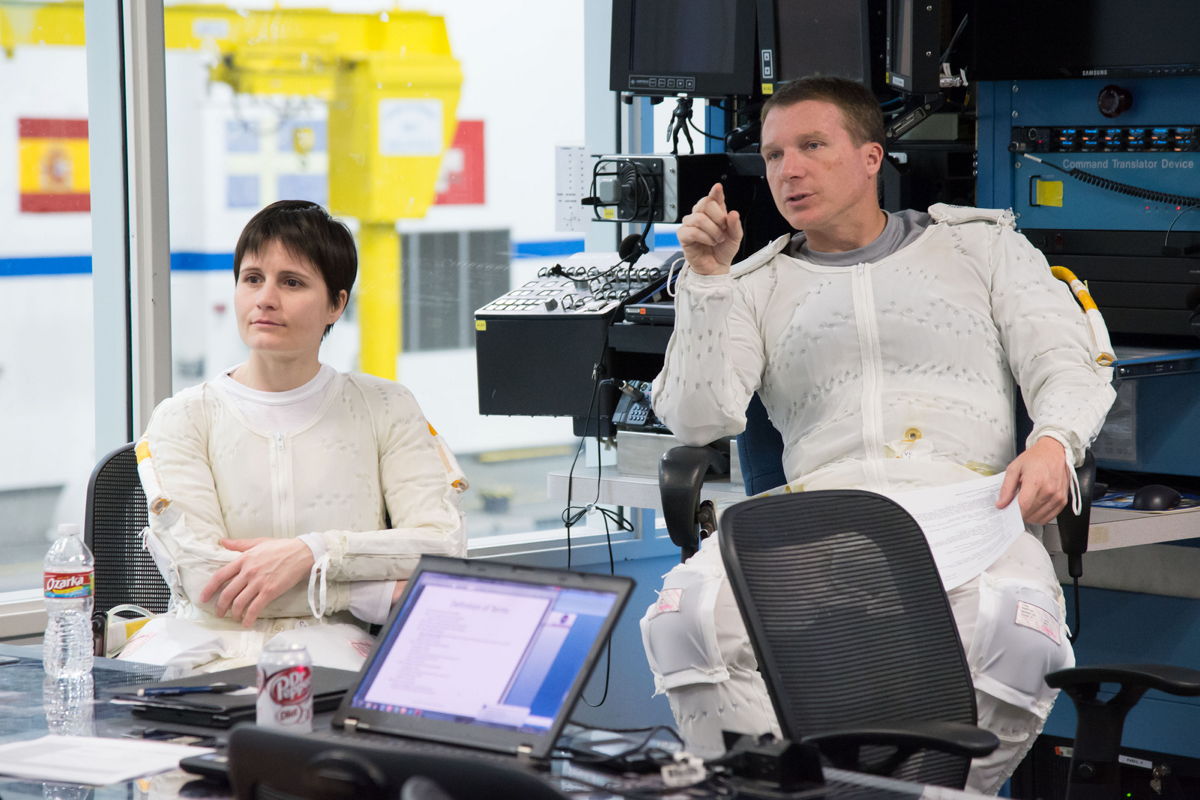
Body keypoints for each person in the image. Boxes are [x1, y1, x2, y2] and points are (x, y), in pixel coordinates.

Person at [640, 77, 1115, 794]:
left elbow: (1066, 362)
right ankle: (774, 789)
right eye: (772, 155)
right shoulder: (754, 284)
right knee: (681, 621)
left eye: (811, 146)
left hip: (966, 509)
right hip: (816, 522)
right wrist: (706, 282)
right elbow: (699, 419)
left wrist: (1056, 443)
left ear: (871, 157)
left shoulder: (979, 248)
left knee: (1022, 637)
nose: (788, 169)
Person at [119, 200, 468, 674]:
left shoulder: (385, 407)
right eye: (252, 278)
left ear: (336, 304)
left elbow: (442, 545)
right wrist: (372, 591)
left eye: (292, 282)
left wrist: (314, 551)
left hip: (332, 650)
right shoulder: (183, 416)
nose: (265, 298)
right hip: (203, 651)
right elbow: (207, 579)